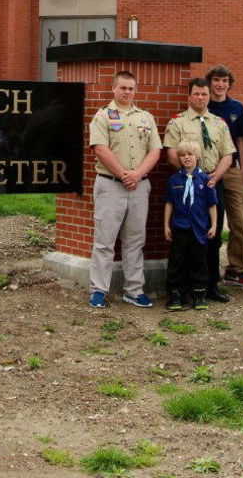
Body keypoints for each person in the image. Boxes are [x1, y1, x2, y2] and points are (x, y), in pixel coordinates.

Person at [87, 71, 162, 309]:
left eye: (131, 88)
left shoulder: (146, 117)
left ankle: (134, 289)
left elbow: (155, 151)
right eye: (123, 88)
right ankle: (98, 290)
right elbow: (100, 148)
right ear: (114, 89)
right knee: (104, 241)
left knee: (135, 240)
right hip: (110, 185)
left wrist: (137, 175)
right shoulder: (103, 116)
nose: (127, 92)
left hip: (139, 186)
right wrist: (123, 174)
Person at [164, 78, 235, 303]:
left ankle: (210, 286)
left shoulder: (219, 123)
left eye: (204, 94)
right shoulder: (178, 123)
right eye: (196, 94)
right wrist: (194, 176)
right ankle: (183, 289)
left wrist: (214, 177)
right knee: (184, 240)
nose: (201, 98)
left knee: (211, 237)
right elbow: (172, 154)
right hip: (187, 185)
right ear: (189, 96)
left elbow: (228, 154)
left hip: (213, 184)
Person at [206, 64, 243, 288]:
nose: (220, 84)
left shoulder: (236, 107)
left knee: (238, 220)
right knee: (210, 220)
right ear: (210, 82)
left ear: (229, 83)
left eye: (224, 81)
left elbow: (242, 141)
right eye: (216, 80)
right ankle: (209, 269)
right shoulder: (204, 105)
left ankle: (235, 269)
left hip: (233, 170)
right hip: (210, 170)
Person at [164, 141, 218, 311]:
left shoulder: (206, 179)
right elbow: (169, 203)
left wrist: (214, 225)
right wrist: (166, 225)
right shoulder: (174, 180)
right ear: (179, 159)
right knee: (177, 261)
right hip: (180, 227)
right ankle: (175, 295)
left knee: (199, 261)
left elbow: (212, 205)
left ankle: (199, 295)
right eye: (182, 155)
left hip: (199, 228)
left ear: (197, 157)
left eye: (190, 154)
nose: (186, 158)